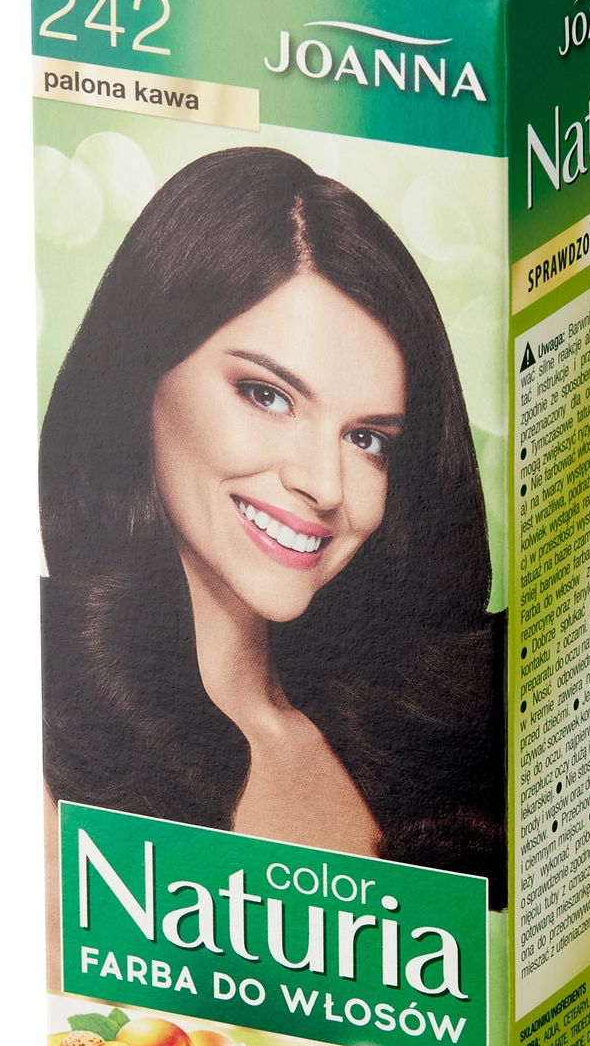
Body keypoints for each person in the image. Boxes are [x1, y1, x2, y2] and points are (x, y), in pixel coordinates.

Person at [40, 146, 503, 894]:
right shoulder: (43, 725)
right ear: (141, 373)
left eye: (368, 440)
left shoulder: (433, 741)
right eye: (267, 395)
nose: (323, 484)